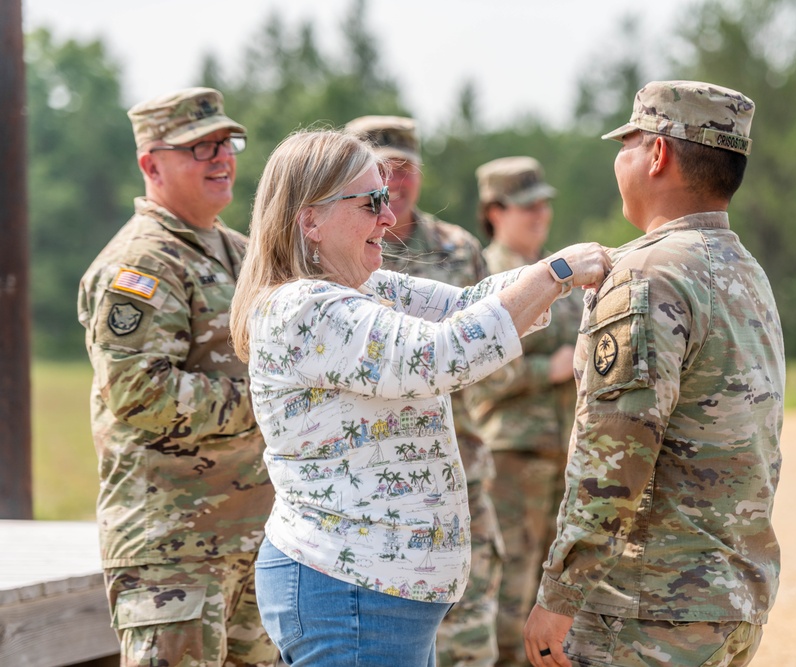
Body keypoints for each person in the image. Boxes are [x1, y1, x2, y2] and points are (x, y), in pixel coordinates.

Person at [227, 128, 611, 667]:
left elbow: (473, 303)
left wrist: (583, 270)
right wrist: (558, 272)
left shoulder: (363, 287)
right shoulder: (303, 309)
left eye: (385, 199)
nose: (388, 217)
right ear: (310, 219)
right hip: (350, 595)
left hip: (371, 595)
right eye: (370, 202)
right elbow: (439, 355)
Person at [522, 80, 785, 667]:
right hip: (729, 597)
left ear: (658, 154)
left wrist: (560, 595)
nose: (619, 159)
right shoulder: (746, 271)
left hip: (647, 607)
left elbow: (614, 456)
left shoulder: (647, 275)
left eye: (628, 143)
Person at [77, 87, 277, 667]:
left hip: (254, 543)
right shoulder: (141, 264)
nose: (220, 158)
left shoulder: (243, 254)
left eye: (225, 142)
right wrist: (270, 400)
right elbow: (141, 394)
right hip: (174, 553)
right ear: (150, 164)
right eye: (198, 147)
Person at [343, 114, 502, 667]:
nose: (396, 182)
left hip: (459, 461)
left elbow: (493, 349)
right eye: (382, 170)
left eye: (405, 169)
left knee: (467, 634)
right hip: (373, 475)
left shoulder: (458, 248)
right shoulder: (336, 254)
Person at [462, 156, 583, 666]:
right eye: (524, 206)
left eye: (543, 204)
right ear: (494, 211)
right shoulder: (484, 278)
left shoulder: (569, 274)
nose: (539, 215)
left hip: (567, 457)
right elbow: (469, 372)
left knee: (560, 600)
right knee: (512, 597)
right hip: (510, 460)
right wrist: (545, 370)